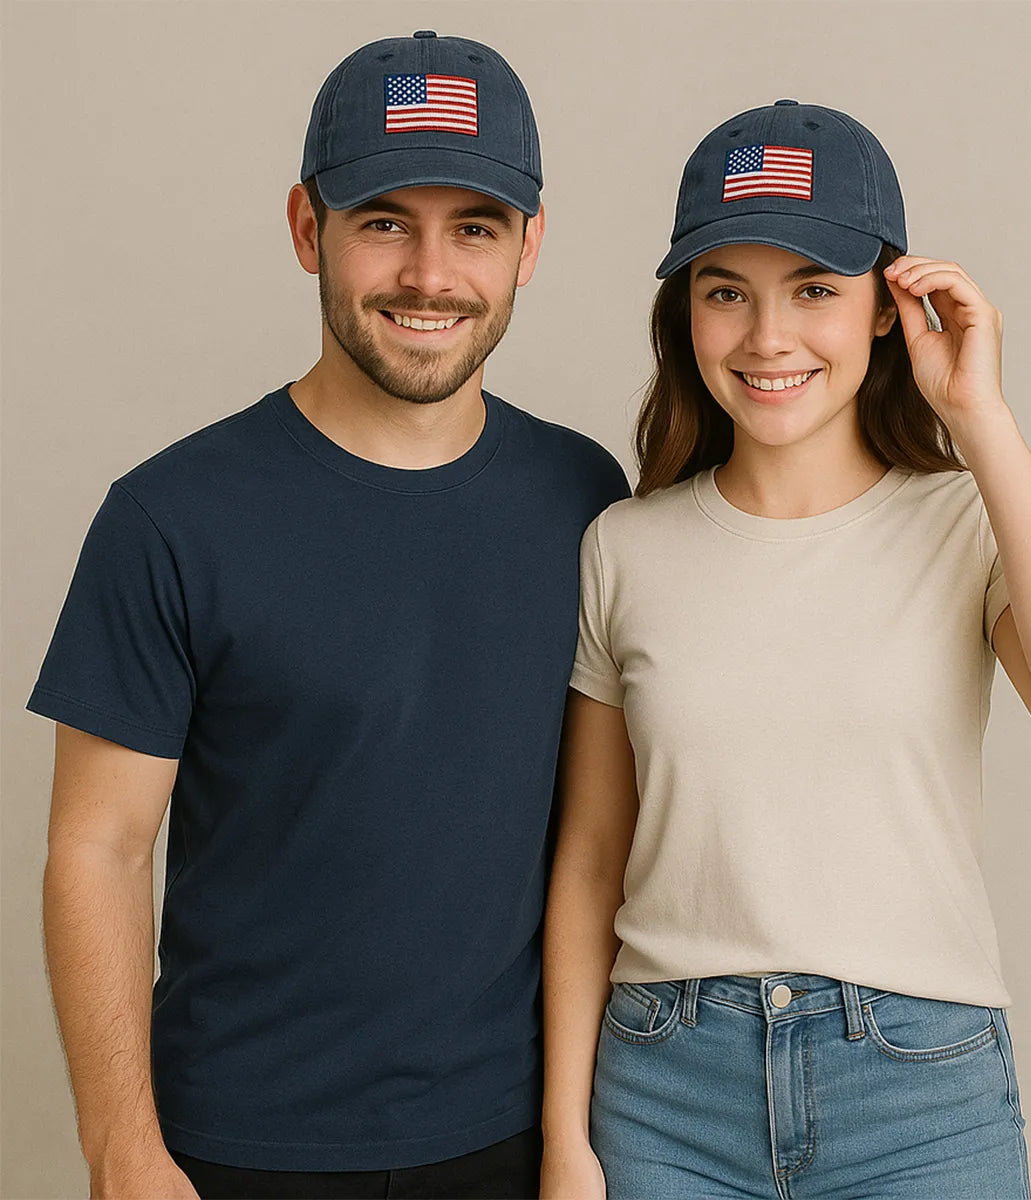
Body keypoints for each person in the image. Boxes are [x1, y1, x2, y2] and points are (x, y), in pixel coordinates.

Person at [30, 31, 629, 1200]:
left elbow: (600, 842)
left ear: (529, 248)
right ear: (309, 228)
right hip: (233, 1147)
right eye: (384, 221)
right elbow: (96, 847)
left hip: (512, 1141)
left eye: (475, 228)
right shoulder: (170, 518)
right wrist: (121, 1148)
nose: (429, 274)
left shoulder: (587, 501)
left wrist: (575, 1142)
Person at [539, 100, 1031, 1199]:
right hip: (662, 1091)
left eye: (814, 291)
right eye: (725, 291)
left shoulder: (966, 523)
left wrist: (983, 420)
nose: (767, 337)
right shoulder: (624, 549)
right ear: (683, 312)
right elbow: (590, 862)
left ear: (890, 307)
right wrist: (564, 1144)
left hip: (918, 1094)